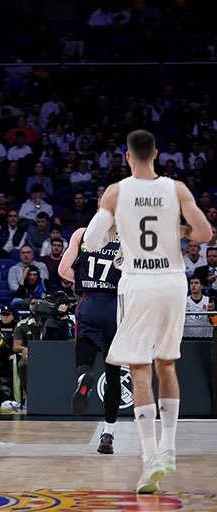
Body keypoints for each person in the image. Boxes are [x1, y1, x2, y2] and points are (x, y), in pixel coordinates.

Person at [83, 129, 212, 494]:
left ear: (127, 156)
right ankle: (169, 446)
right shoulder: (177, 189)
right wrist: (179, 229)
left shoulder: (116, 192)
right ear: (156, 153)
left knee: (139, 367)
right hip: (172, 281)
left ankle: (149, 457)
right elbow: (203, 233)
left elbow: (92, 242)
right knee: (167, 362)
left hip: (138, 281)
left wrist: (112, 228)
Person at [58, 226, 122, 454]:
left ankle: (85, 376)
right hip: (116, 307)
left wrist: (83, 282)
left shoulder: (82, 234)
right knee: (114, 374)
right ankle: (108, 434)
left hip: (89, 303)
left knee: (84, 354)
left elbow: (63, 269)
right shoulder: (128, 234)